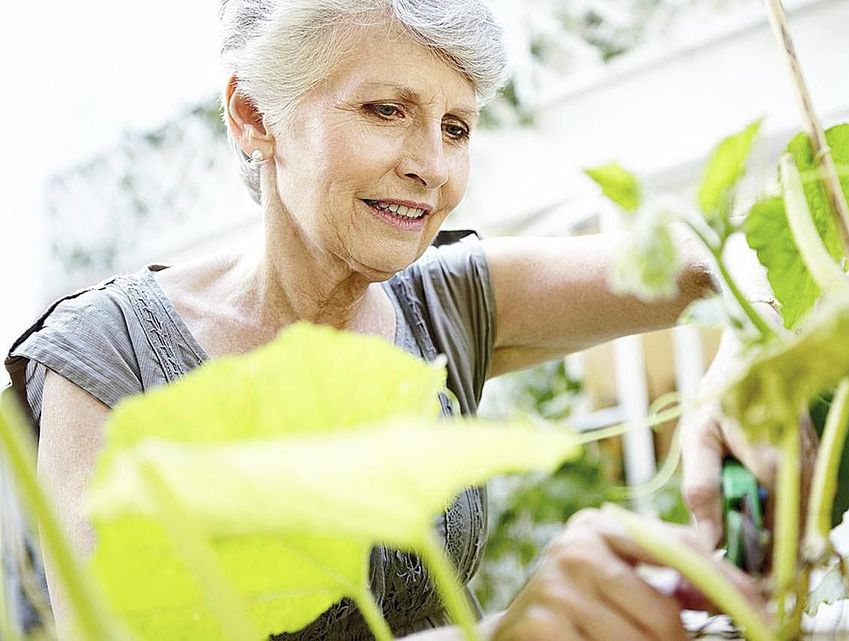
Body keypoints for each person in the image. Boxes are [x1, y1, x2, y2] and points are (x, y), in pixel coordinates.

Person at [5, 1, 778, 639]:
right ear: (252, 114)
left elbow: (730, 253)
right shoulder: (108, 352)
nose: (433, 167)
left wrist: (748, 353)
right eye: (386, 109)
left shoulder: (444, 297)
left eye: (456, 126)